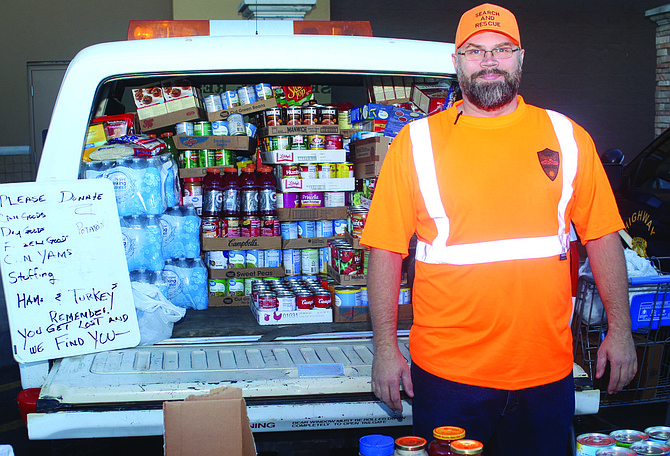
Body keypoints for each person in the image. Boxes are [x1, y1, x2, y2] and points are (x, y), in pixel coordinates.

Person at [359, 3, 638, 455]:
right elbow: (385, 251)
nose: (489, 60)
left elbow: (602, 236)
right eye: (475, 51)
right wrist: (385, 349)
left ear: (521, 58)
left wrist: (620, 330)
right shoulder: (416, 144)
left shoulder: (567, 136)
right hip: (449, 378)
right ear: (456, 63)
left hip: (546, 375)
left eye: (502, 49)